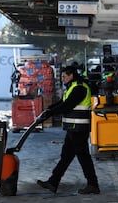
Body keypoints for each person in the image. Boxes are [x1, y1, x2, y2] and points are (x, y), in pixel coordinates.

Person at [36, 66, 100, 194]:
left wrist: (51, 112)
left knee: (83, 156)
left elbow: (67, 105)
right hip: (73, 128)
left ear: (71, 75)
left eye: (64, 76)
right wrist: (49, 110)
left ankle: (93, 184)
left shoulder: (80, 88)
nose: (63, 79)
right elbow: (62, 102)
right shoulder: (73, 86)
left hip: (79, 128)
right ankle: (53, 182)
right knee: (66, 156)